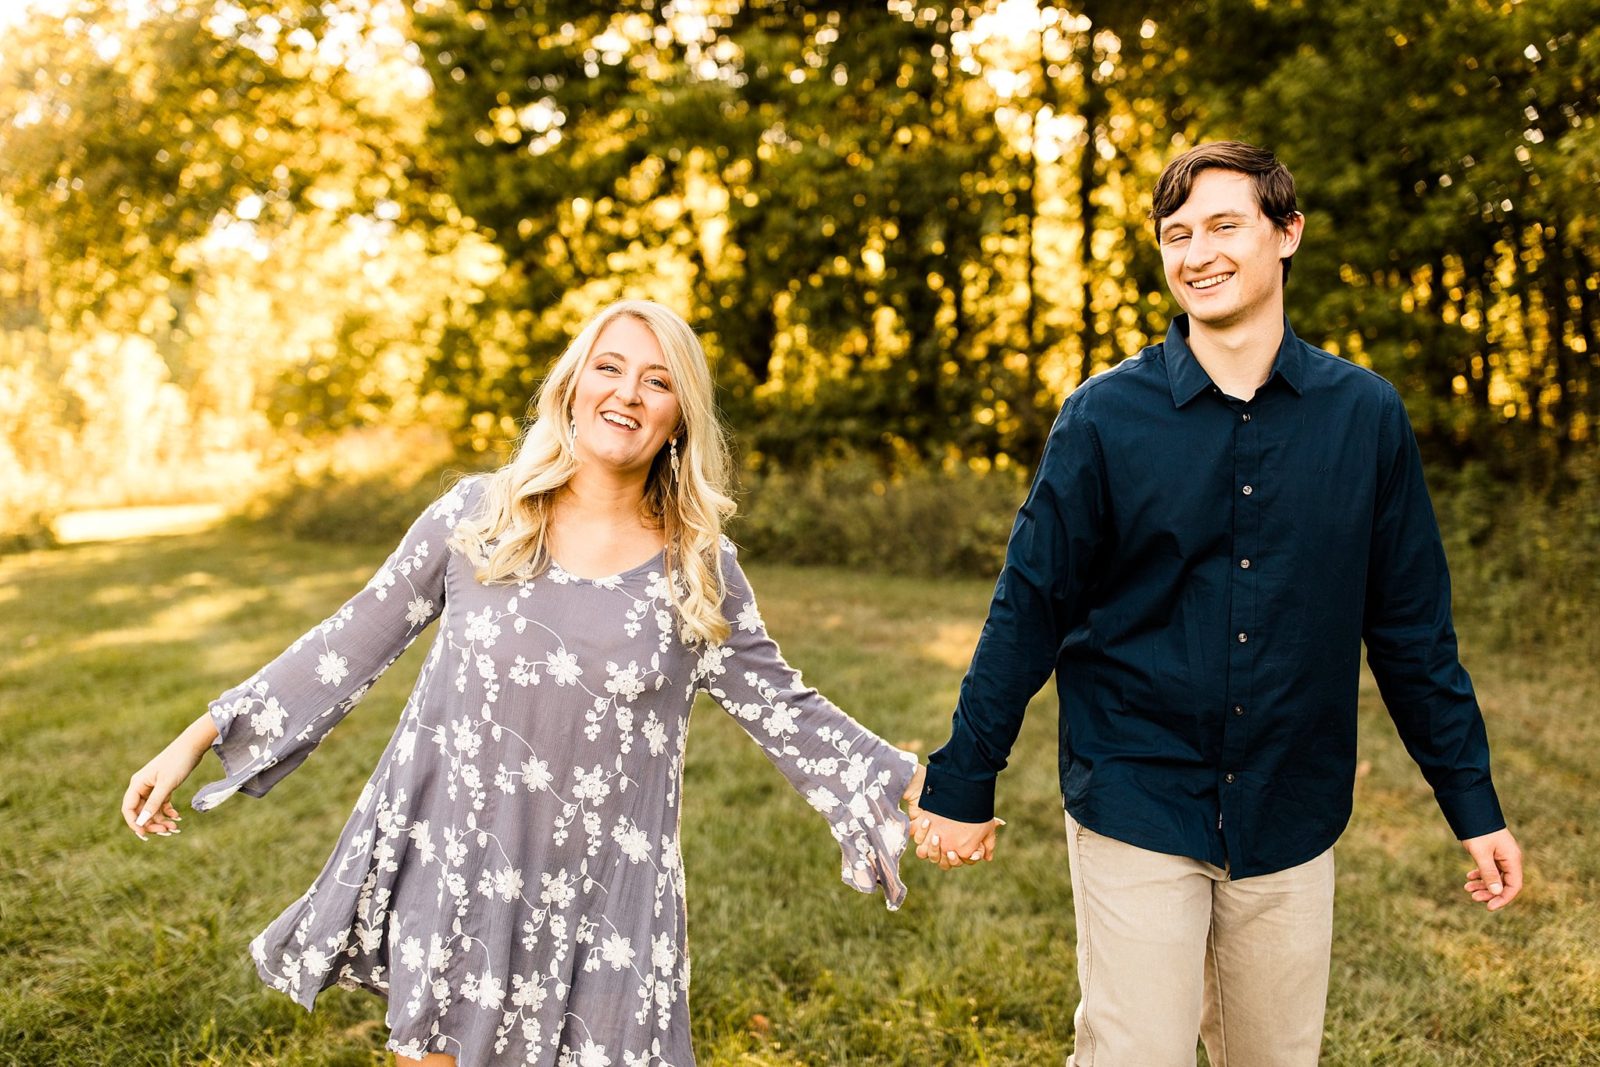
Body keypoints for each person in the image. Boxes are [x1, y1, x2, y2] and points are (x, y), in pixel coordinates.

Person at [122, 299, 924, 1067]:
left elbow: (786, 707)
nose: (629, 393)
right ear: (573, 385)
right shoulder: (479, 518)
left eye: (658, 380)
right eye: (610, 367)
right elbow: (348, 641)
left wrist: (918, 784)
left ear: (680, 416)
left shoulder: (698, 569)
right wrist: (198, 736)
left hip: (610, 907)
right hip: (460, 878)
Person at [908, 141, 1524, 1065]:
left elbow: (1410, 633)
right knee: (1133, 1052)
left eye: (1224, 225)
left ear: (1288, 233)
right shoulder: (1103, 417)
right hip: (1135, 787)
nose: (1197, 252)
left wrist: (1472, 805)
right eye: (1176, 234)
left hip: (1290, 800)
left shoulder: (1365, 418)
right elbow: (1029, 605)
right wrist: (963, 778)